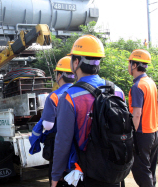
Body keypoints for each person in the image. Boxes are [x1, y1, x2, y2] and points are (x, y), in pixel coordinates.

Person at [51, 35, 126, 187]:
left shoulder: (70, 97)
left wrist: (55, 176)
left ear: (76, 62)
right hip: (114, 172)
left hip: (84, 174)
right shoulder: (117, 91)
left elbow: (63, 141)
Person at [41, 56, 75, 186]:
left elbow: (48, 126)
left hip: (59, 144)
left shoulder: (54, 96)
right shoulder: (79, 92)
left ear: (59, 75)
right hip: (77, 148)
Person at [128, 49, 158, 187]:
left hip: (142, 134)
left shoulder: (138, 86)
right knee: (150, 169)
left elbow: (137, 114)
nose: (128, 66)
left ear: (134, 65)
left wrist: (131, 134)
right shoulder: (150, 82)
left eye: (129, 63)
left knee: (141, 170)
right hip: (154, 132)